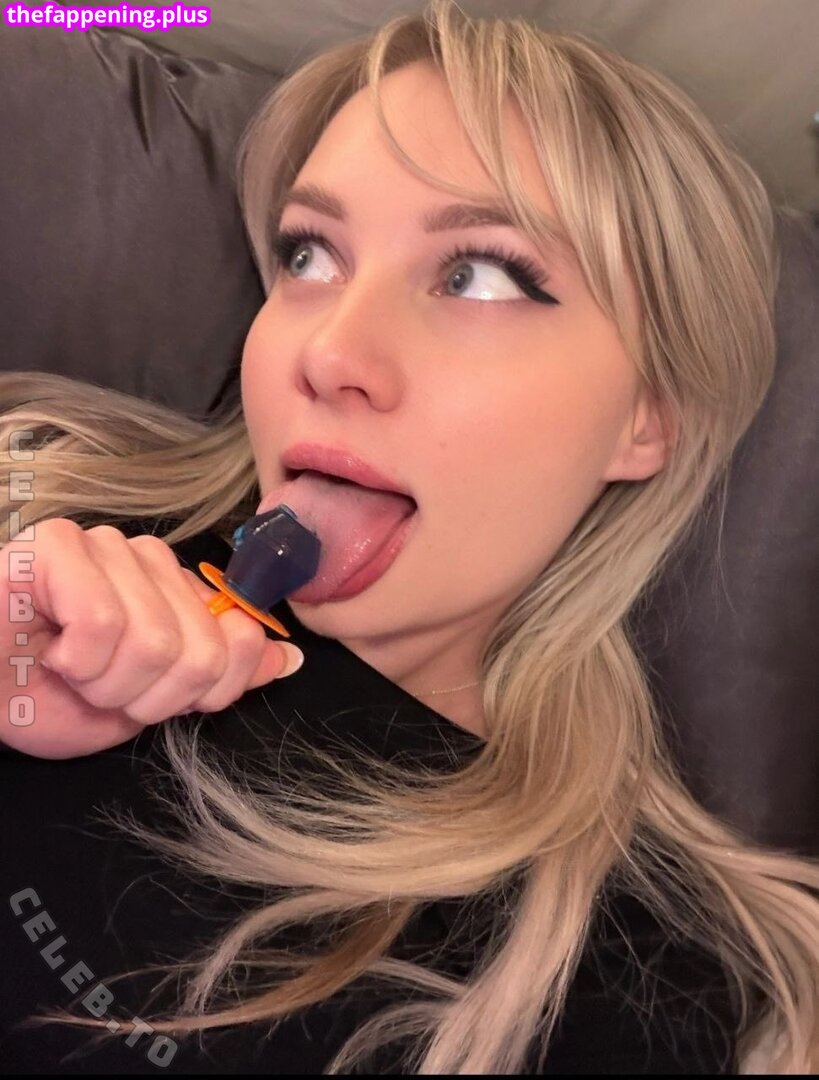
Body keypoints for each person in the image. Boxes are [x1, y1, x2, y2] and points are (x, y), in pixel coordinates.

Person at [1, 0, 817, 1072]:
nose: (329, 352)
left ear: (646, 417)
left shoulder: (638, 977)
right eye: (309, 256)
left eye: (480, 274)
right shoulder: (43, 487)